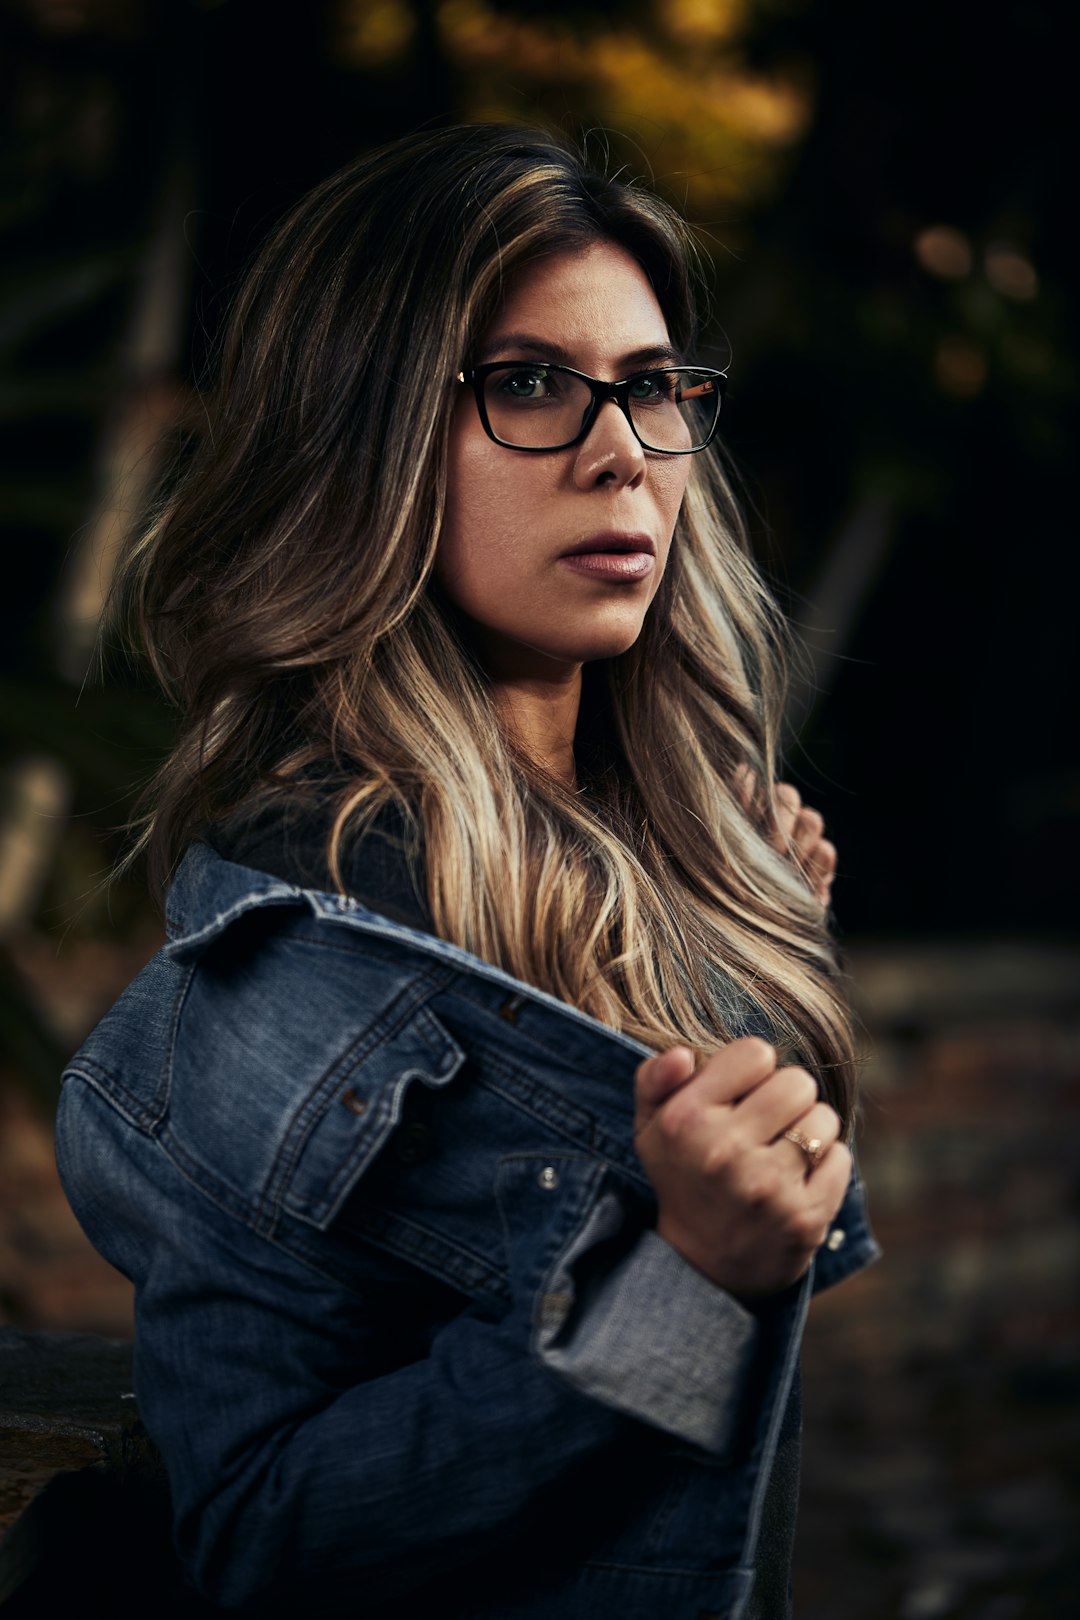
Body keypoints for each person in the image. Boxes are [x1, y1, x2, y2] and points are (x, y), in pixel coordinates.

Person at [56, 124, 878, 1620]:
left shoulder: (675, 855)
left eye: (649, 386)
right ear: (359, 440)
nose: (623, 447)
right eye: (527, 386)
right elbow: (262, 1537)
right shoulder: (297, 965)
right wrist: (673, 1292)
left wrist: (755, 951)